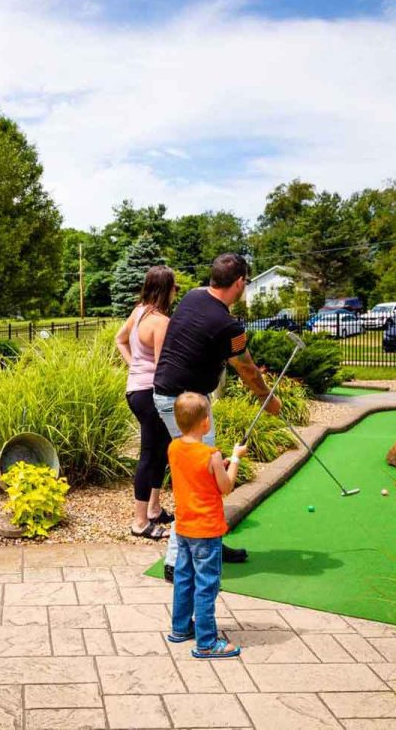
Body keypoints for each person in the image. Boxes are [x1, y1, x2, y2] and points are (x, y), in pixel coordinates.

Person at [153, 253, 280, 578]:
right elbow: (246, 367)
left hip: (170, 395)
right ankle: (174, 562)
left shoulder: (195, 296)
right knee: (202, 479)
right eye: (246, 283)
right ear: (239, 283)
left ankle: (212, 540)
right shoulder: (228, 325)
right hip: (185, 402)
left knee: (199, 475)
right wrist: (267, 398)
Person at [165, 391, 245, 658]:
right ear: (205, 422)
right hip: (207, 530)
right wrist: (234, 459)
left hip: (184, 527)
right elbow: (226, 487)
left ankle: (179, 628)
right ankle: (207, 643)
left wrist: (217, 466)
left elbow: (196, 475)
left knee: (184, 578)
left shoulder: (174, 448)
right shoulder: (211, 454)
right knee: (206, 584)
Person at [115, 265, 177, 539]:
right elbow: (164, 368)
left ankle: (154, 509)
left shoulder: (139, 311)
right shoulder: (161, 322)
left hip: (136, 391)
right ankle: (140, 522)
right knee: (150, 454)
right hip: (149, 394)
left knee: (161, 450)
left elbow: (120, 340)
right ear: (166, 290)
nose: (176, 292)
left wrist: (134, 368)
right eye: (174, 287)